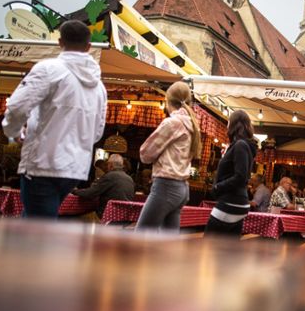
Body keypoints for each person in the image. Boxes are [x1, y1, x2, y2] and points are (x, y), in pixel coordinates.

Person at [2, 20, 107, 218]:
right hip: (75, 168)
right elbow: (97, 131)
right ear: (88, 46)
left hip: (43, 162)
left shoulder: (48, 69)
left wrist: (14, 132)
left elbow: (16, 107)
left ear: (60, 42)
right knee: (34, 218)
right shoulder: (99, 87)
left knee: (39, 228)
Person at [135, 82, 201, 233]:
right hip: (182, 188)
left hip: (166, 186)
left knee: (141, 236)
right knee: (168, 241)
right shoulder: (192, 125)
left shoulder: (173, 123)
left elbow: (145, 154)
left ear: (167, 100)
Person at [204, 110, 257, 236]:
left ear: (233, 124)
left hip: (231, 201)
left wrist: (217, 187)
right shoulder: (241, 145)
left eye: (228, 121)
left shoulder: (240, 145)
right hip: (237, 202)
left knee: (208, 245)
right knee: (228, 251)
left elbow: (241, 176)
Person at [73, 154, 135, 218]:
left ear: (110, 165)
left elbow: (91, 193)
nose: (106, 167)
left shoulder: (110, 176)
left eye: (107, 164)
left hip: (108, 215)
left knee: (78, 218)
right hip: (123, 217)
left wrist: (74, 191)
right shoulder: (129, 179)